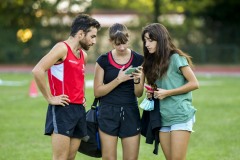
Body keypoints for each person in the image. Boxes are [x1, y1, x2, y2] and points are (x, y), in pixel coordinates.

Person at [32, 14, 101, 160]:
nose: (94, 41)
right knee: (60, 157)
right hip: (62, 109)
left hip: (79, 110)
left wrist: (82, 97)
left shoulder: (83, 55)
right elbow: (38, 70)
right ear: (81, 34)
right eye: (92, 36)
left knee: (70, 156)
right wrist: (50, 98)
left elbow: (79, 78)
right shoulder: (61, 48)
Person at [141, 23, 199, 160]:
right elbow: (160, 86)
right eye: (145, 40)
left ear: (160, 40)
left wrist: (167, 92)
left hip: (180, 115)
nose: (147, 44)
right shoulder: (151, 62)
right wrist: (152, 92)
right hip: (162, 117)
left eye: (150, 40)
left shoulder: (176, 57)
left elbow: (194, 83)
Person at [93, 23, 144, 160]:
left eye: (124, 43)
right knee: (109, 158)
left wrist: (138, 80)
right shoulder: (103, 61)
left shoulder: (139, 60)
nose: (122, 47)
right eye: (117, 44)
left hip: (130, 112)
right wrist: (119, 79)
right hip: (107, 112)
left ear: (129, 38)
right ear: (110, 42)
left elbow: (138, 94)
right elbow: (97, 92)